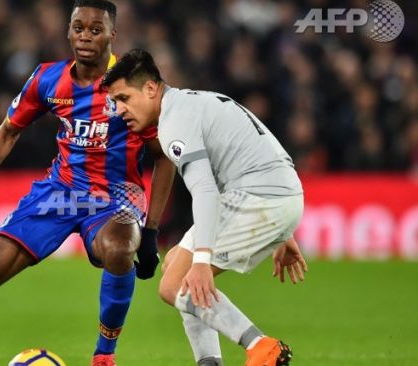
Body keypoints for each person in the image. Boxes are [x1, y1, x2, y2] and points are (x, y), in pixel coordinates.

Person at [0, 3, 176, 366]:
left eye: (95, 30)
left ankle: (104, 356)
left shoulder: (133, 83)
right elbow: (8, 131)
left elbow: (164, 156)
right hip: (60, 194)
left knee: (118, 247)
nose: (85, 37)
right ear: (68, 31)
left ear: (112, 36)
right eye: (78, 28)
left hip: (115, 198)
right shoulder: (48, 79)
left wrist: (151, 231)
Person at [101, 48, 307, 366]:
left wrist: (202, 261)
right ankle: (209, 362)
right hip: (275, 193)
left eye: (124, 98)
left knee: (175, 286)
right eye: (115, 102)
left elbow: (205, 191)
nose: (119, 110)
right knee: (173, 266)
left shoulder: (173, 124)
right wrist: (284, 232)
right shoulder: (193, 102)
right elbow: (250, 152)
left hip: (261, 198)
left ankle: (263, 348)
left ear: (151, 88)